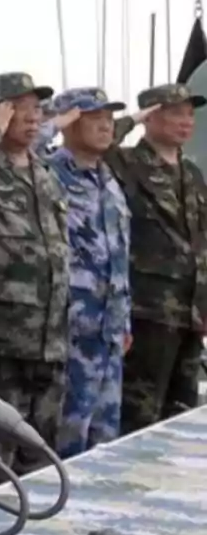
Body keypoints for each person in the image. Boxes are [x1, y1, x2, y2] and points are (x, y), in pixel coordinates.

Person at [0, 72, 70, 475]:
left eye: (36, 109)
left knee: (41, 460)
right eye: (19, 108)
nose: (32, 117)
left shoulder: (44, 173)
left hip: (50, 341)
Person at [33, 88, 132, 458]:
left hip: (108, 330)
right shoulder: (47, 171)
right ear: (71, 123)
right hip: (71, 327)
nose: (106, 125)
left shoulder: (108, 178)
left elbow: (118, 253)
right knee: (67, 436)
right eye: (93, 117)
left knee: (106, 439)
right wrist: (53, 124)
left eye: (109, 117)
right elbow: (11, 154)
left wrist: (124, 323)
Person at [106, 83, 207, 434]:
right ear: (152, 117)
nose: (186, 122)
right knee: (138, 418)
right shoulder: (128, 163)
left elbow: (201, 244)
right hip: (146, 313)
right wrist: (131, 121)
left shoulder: (192, 175)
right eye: (176, 113)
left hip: (189, 315)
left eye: (190, 115)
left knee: (180, 415)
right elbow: (98, 145)